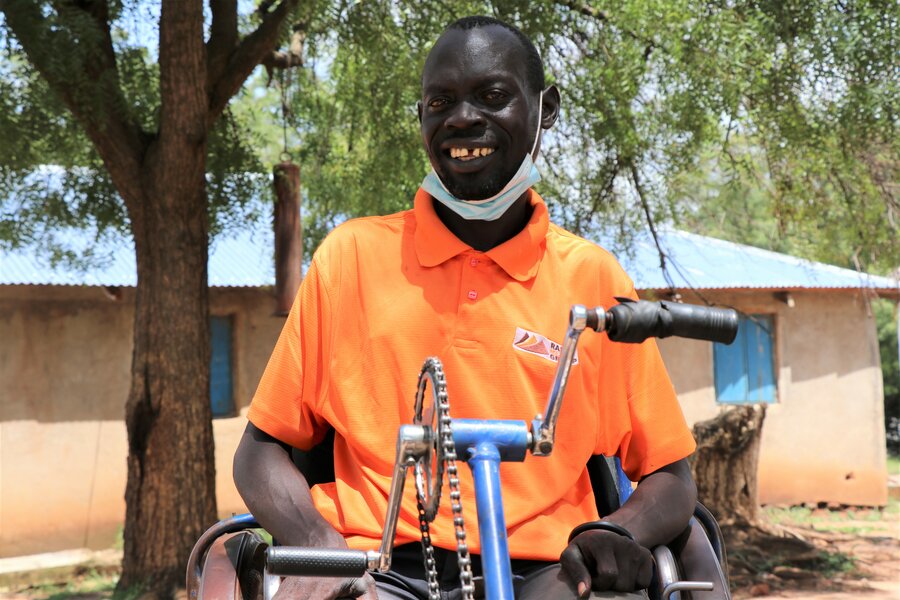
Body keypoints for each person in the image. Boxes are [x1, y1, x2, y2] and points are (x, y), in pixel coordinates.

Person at [234, 16, 698, 600]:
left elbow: (672, 476)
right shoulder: (351, 258)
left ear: (545, 109)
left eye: (493, 96)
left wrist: (616, 530)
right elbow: (261, 448)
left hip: (547, 568)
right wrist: (317, 544)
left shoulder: (593, 279)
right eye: (440, 102)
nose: (462, 118)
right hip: (375, 566)